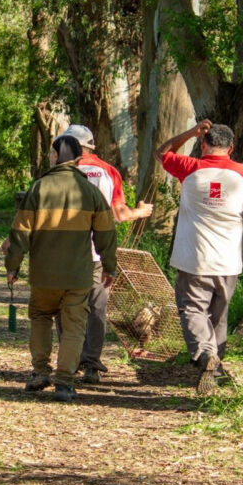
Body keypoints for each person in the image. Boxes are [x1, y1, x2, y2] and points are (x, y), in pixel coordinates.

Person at [155, 119, 243, 395]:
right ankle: (215, 372)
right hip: (229, 261)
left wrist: (192, 132)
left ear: (204, 146)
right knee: (218, 316)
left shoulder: (191, 168)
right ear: (230, 148)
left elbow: (162, 152)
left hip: (194, 258)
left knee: (193, 310)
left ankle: (206, 355)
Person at [4, 135, 117, 402]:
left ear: (55, 156)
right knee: (75, 326)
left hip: (43, 274)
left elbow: (20, 233)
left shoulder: (38, 188)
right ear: (78, 158)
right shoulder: (90, 192)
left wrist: (13, 267)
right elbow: (106, 234)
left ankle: (41, 371)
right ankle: (65, 382)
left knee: (41, 317)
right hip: (78, 276)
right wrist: (109, 266)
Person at [59, 124, 153, 384]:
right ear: (90, 145)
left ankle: (67, 360)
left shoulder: (58, 170)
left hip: (60, 252)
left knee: (65, 305)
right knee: (96, 306)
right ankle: (91, 363)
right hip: (94, 252)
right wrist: (140, 212)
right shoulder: (107, 171)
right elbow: (119, 214)